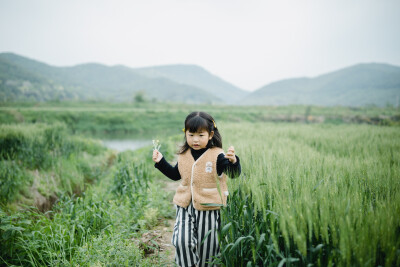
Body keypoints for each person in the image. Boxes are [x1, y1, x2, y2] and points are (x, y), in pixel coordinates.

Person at [152, 111, 241, 267]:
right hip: (185, 206)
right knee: (181, 241)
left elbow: (233, 174)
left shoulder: (218, 155)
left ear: (210, 134)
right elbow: (175, 175)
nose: (195, 139)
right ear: (185, 133)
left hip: (209, 208)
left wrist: (233, 162)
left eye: (201, 135)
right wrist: (161, 162)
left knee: (209, 250)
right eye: (191, 134)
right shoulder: (184, 154)